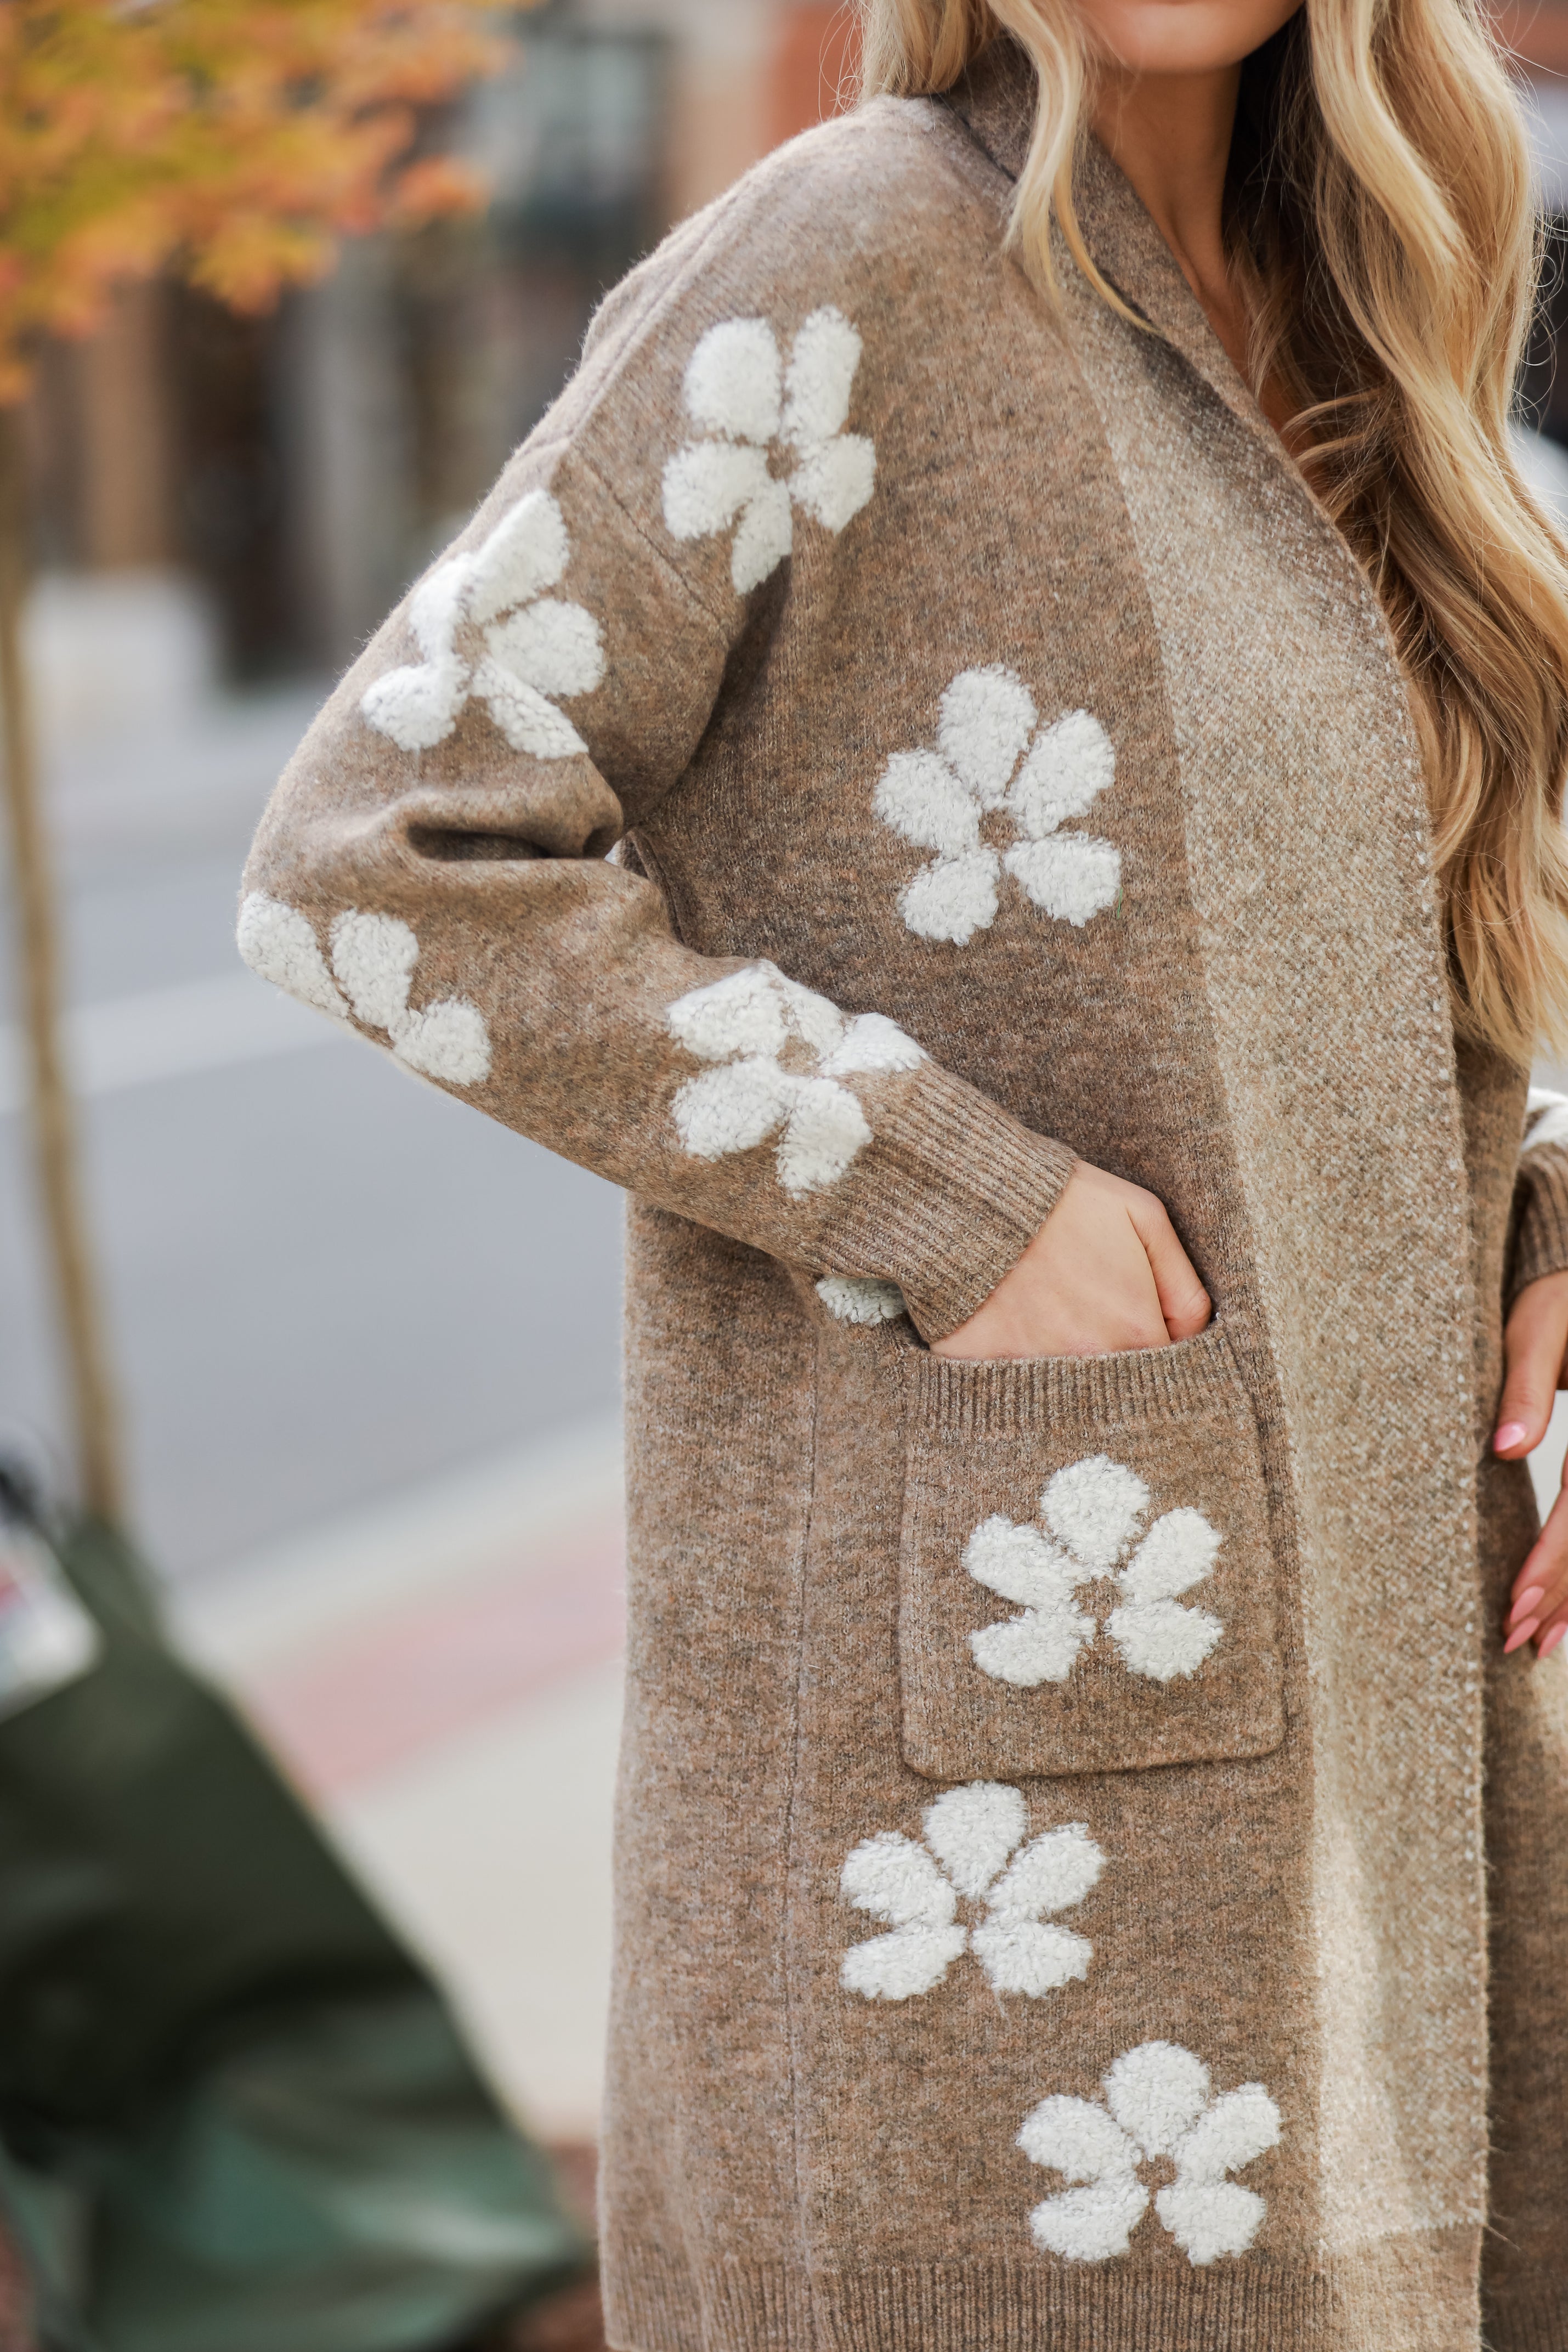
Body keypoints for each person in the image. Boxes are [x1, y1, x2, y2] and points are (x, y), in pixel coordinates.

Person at [235, 0, 1568, 2338]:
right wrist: (938, 1195)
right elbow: (373, 860)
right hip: (1000, 1880)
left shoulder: (1365, 305)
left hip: (1405, 1750)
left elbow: (1365, 941)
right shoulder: (851, 257)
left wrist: (1540, 1218)